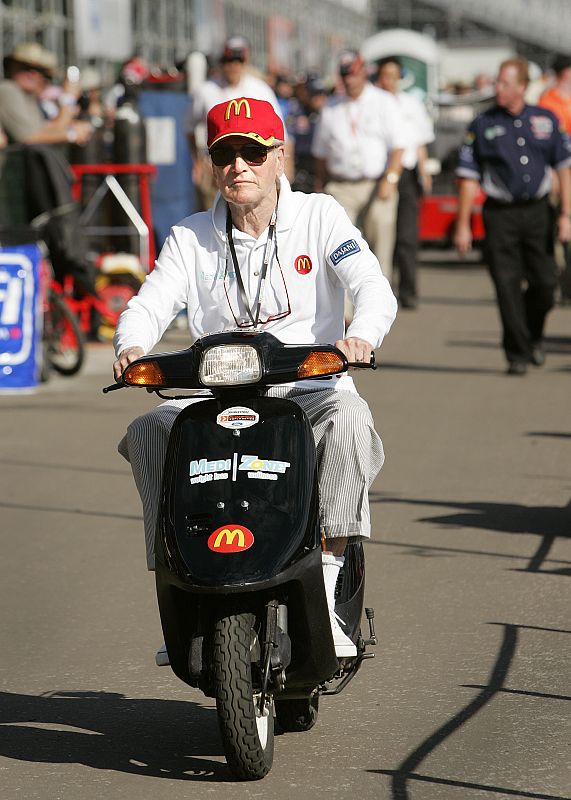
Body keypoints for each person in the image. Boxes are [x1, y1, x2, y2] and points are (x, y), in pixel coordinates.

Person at [113, 97, 397, 662]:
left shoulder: (321, 216)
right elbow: (150, 303)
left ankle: (331, 583)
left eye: (252, 152)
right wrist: (131, 346)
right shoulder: (190, 236)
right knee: (148, 431)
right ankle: (174, 589)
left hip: (306, 389)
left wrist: (359, 336)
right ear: (211, 165)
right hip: (211, 395)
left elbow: (371, 285)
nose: (239, 166)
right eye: (226, 155)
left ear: (278, 156)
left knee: (348, 419)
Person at [454, 57, 571, 375]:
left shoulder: (545, 119)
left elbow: (563, 167)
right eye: (498, 82)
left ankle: (532, 335)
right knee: (506, 286)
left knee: (545, 283)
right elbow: (468, 177)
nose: (499, 88)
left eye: (506, 83)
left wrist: (566, 215)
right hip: (500, 214)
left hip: (538, 212)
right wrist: (463, 224)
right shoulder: (482, 123)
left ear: (522, 86)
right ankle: (517, 354)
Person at [311, 50, 406, 291]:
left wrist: (391, 179)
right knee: (340, 245)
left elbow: (398, 146)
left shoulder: (383, 101)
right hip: (342, 184)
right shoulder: (331, 107)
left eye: (353, 74)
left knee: (380, 239)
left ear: (363, 72)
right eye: (345, 75)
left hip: (376, 182)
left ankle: (377, 302)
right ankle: (345, 315)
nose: (349, 80)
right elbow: (320, 153)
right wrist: (320, 184)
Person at [186, 36, 290, 210]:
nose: (233, 66)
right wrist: (196, 161)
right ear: (221, 62)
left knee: (254, 212)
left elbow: (281, 134)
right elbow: (189, 127)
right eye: (228, 61)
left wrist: (284, 165)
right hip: (218, 160)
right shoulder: (205, 90)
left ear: (244, 62)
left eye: (238, 61)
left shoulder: (260, 88)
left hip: (254, 159)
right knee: (211, 215)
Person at [376, 56, 435, 309]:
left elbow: (419, 140)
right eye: (385, 75)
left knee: (407, 235)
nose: (389, 81)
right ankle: (381, 293)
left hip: (407, 174)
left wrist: (425, 171)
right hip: (383, 173)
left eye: (394, 76)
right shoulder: (373, 102)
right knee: (380, 235)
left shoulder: (411, 104)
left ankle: (409, 290)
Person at [0, 42, 92, 147]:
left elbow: (43, 128)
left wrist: (73, 129)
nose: (33, 74)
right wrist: (72, 134)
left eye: (39, 70)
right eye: (25, 67)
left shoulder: (27, 96)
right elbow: (28, 137)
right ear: (11, 66)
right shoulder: (8, 89)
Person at [539, 54, 571, 303]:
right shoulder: (548, 102)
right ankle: (560, 281)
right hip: (559, 177)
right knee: (558, 232)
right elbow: (550, 148)